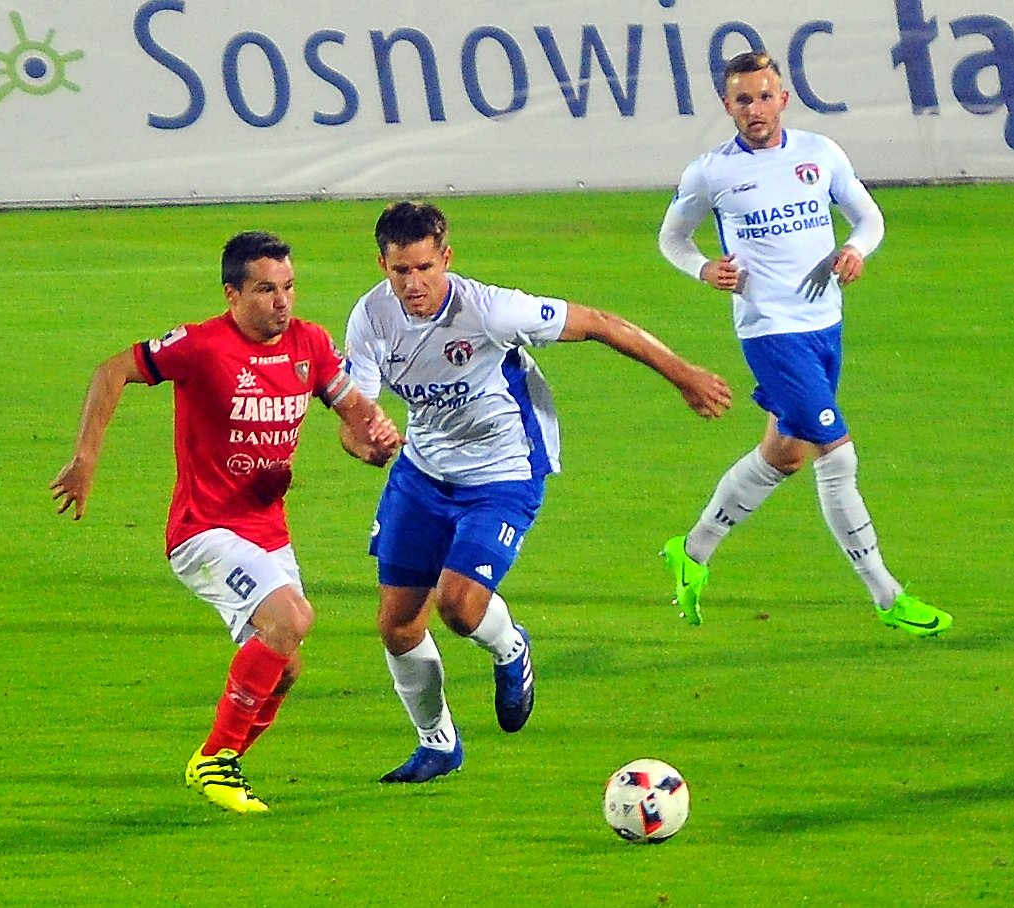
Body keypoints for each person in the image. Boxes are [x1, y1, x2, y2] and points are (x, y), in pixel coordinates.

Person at [341, 200, 733, 784]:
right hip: (423, 471)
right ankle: (437, 744)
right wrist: (366, 444)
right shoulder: (371, 318)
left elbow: (599, 322)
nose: (414, 283)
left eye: (425, 268)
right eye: (401, 271)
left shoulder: (492, 311)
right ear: (383, 265)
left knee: (458, 607)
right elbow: (357, 415)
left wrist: (685, 376)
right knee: (398, 625)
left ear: (446, 258)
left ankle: (510, 648)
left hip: (504, 470)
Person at [51, 231, 403, 814]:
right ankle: (216, 760)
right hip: (204, 530)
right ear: (232, 294)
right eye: (266, 289)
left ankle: (218, 762)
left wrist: (375, 439)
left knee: (284, 668)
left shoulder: (310, 343)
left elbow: (354, 416)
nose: (282, 301)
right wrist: (85, 459)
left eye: (288, 287)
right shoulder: (200, 345)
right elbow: (111, 371)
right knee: (292, 618)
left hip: (267, 532)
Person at [656, 51, 952, 636]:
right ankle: (887, 595)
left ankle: (691, 551)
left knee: (785, 454)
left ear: (783, 99)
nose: (755, 109)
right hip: (769, 330)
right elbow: (672, 238)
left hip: (825, 324)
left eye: (765, 96)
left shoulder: (820, 153)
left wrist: (855, 251)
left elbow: (869, 220)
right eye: (743, 100)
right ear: (727, 106)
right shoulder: (710, 173)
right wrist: (703, 268)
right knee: (837, 456)